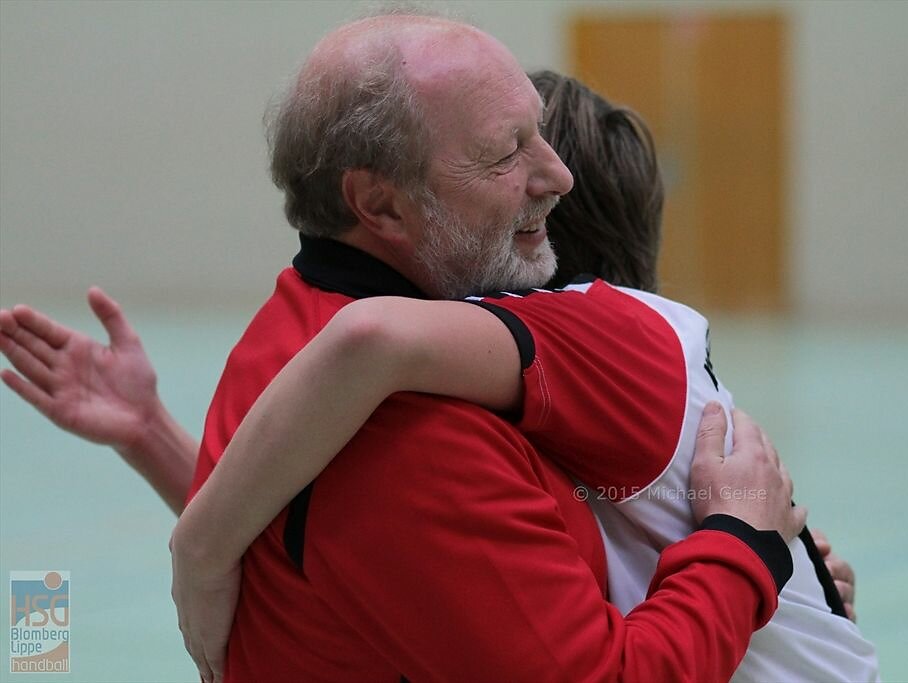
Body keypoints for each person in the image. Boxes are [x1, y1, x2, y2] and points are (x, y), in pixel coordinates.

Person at [0, 15, 844, 682]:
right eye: (505, 152)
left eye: (537, 134)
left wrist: (164, 460)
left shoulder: (286, 334)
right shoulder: (420, 422)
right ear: (381, 206)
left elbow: (335, 555)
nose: (555, 176)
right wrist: (745, 552)